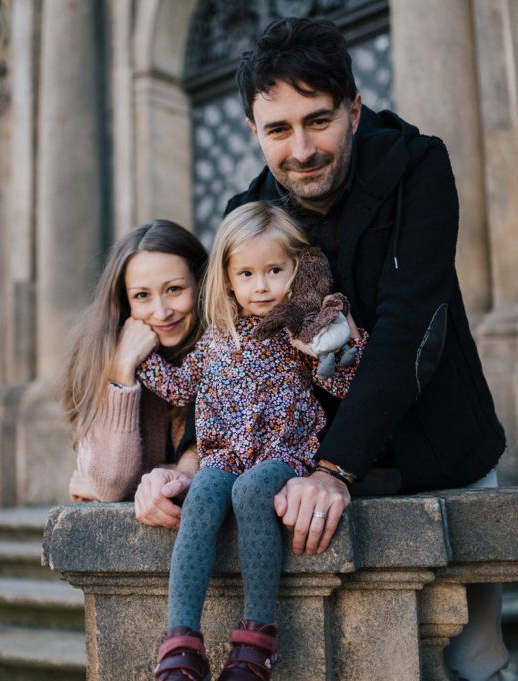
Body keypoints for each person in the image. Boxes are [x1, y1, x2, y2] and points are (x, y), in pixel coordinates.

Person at [227, 17, 509, 681]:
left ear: (353, 111)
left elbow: (412, 324)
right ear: (253, 132)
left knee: (475, 660)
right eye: (278, 129)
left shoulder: (419, 166)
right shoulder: (250, 212)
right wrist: (186, 458)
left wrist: (335, 466)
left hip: (444, 457)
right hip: (320, 480)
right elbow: (230, 353)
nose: (301, 149)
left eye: (318, 120)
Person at [139, 201, 365, 681]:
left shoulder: (300, 333)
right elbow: (180, 388)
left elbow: (344, 385)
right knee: (203, 493)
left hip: (283, 453)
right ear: (227, 279)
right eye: (246, 274)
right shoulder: (217, 337)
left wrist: (343, 343)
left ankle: (257, 638)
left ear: (296, 269)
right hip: (224, 455)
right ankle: (181, 641)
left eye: (274, 271)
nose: (260, 286)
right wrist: (136, 358)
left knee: (250, 491)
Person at [58, 220, 207, 504]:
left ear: (200, 285)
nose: (161, 312)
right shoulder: (101, 352)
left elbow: (229, 463)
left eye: (174, 289)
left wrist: (131, 480)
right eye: (142, 296)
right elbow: (111, 484)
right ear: (125, 302)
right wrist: (121, 371)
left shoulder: (227, 349)